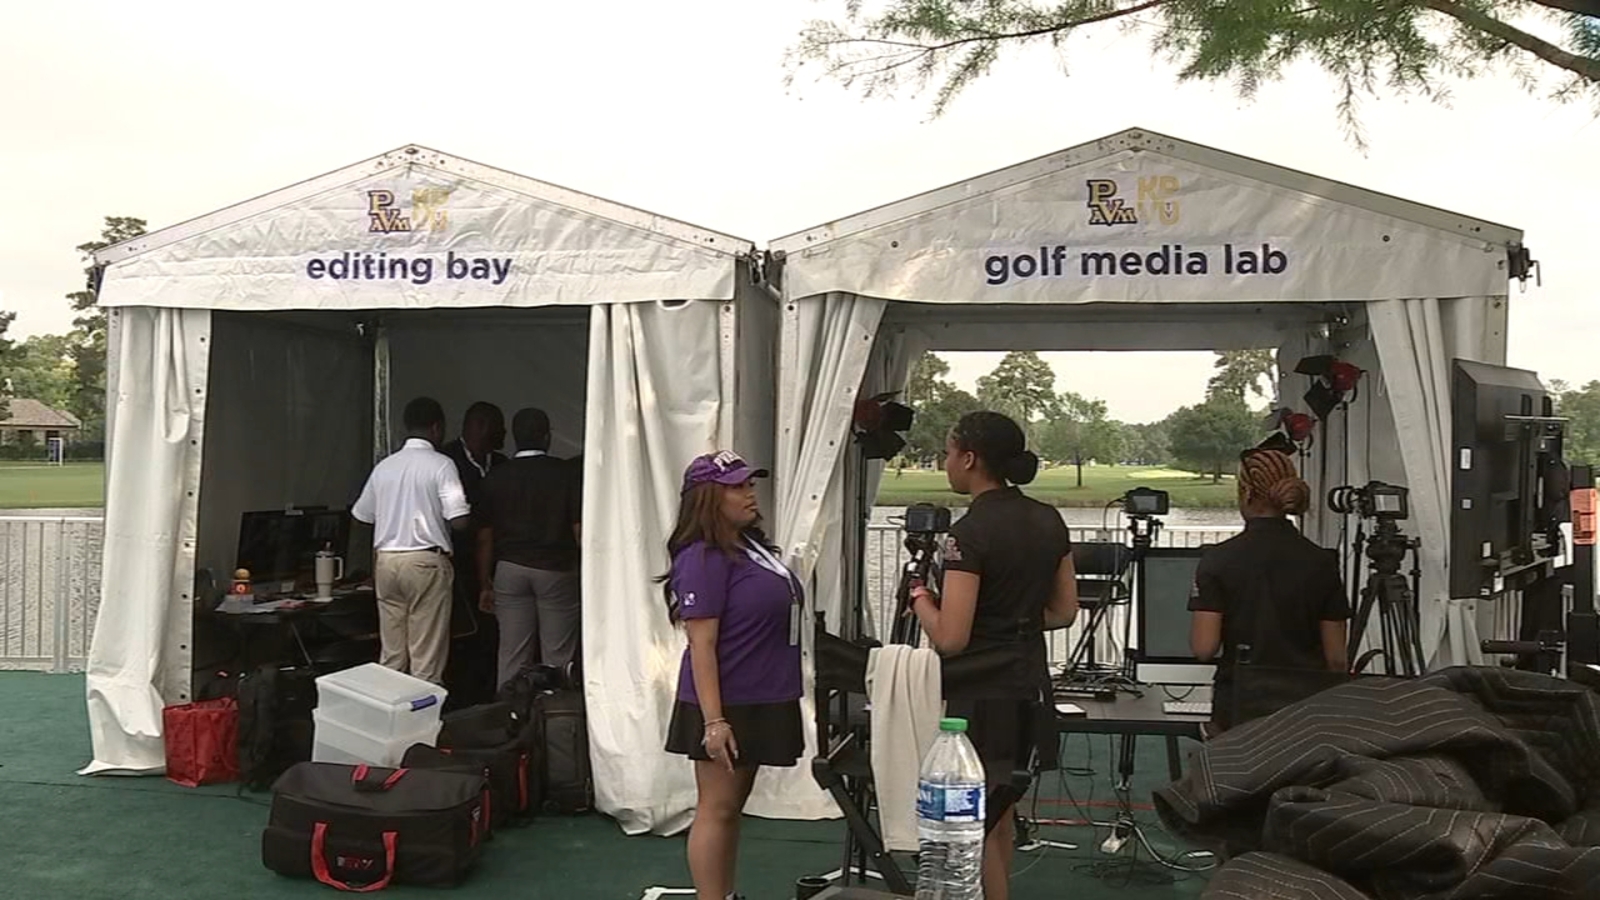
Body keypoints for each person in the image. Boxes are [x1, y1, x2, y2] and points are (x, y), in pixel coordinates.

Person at [908, 410, 1078, 900]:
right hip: (1029, 683)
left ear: (969, 458)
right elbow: (1063, 611)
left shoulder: (970, 533)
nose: (945, 462)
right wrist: (1010, 618)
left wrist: (919, 597)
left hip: (979, 693)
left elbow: (951, 637)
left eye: (947, 452)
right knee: (999, 813)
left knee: (972, 823)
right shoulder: (1049, 519)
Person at [660, 451, 802, 900]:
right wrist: (714, 721)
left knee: (731, 810)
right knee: (717, 809)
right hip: (726, 701)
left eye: (749, 484)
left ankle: (723, 894)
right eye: (737, 487)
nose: (749, 493)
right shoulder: (702, 556)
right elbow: (700, 644)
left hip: (762, 694)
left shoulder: (750, 547)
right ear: (708, 498)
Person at [1188, 447, 1351, 731]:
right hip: (1305, 709)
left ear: (1247, 493)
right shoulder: (1322, 562)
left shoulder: (1218, 560)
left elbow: (1204, 648)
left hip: (1239, 708)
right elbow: (1337, 659)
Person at [351, 397, 471, 685]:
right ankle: (422, 712)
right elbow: (459, 520)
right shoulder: (442, 465)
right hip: (425, 562)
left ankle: (388, 710)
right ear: (437, 427)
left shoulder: (384, 467)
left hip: (387, 561)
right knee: (425, 660)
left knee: (392, 656)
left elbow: (361, 516)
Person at [476, 408, 584, 686]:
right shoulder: (565, 474)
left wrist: (485, 582)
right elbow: (578, 529)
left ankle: (509, 706)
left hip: (509, 570)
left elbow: (485, 536)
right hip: (556, 570)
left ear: (514, 437)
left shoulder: (496, 476)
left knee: (511, 654)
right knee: (557, 655)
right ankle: (555, 708)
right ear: (547, 437)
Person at [443, 401, 509, 705]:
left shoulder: (502, 463)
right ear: (480, 426)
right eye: (499, 428)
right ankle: (460, 697)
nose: (504, 434)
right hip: (457, 562)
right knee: (457, 633)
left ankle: (486, 695)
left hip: (497, 563)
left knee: (492, 632)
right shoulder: (447, 461)